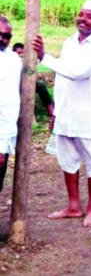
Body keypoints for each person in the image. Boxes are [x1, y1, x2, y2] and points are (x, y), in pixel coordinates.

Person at [32, 0, 91, 227]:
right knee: (67, 160)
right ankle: (73, 206)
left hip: (90, 116)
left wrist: (44, 57)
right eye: (81, 15)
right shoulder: (70, 42)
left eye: (89, 16)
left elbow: (78, 73)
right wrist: (55, 111)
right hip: (67, 113)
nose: (83, 19)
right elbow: (62, 80)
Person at [0, 16, 22, 193]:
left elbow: (9, 104)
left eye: (6, 36)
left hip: (3, 131)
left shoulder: (13, 60)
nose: (1, 38)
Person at [12, 42, 55, 129]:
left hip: (26, 84)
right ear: (13, 53)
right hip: (13, 85)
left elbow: (31, 73)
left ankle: (52, 112)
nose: (21, 55)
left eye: (22, 53)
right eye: (19, 53)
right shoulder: (9, 60)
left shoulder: (26, 61)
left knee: (40, 85)